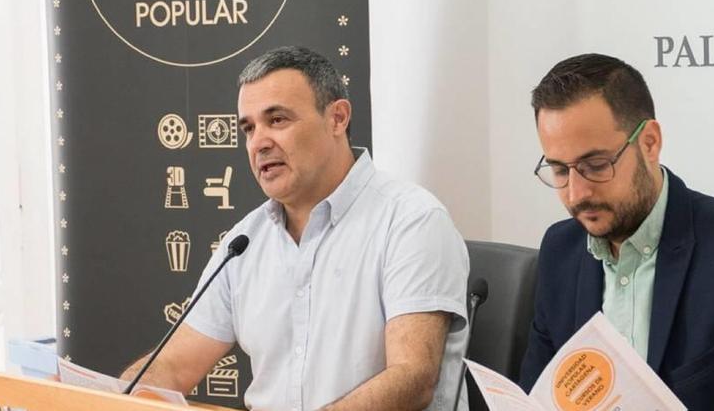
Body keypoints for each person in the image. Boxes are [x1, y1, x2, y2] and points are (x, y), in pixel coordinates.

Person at [122, 46, 470, 411]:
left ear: (337, 118)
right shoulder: (244, 241)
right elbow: (173, 367)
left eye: (277, 120)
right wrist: (110, 400)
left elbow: (413, 378)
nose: (259, 143)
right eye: (249, 128)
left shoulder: (411, 220)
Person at [519, 53, 714, 409]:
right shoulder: (560, 251)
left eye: (595, 165)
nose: (577, 194)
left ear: (649, 143)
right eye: (560, 171)